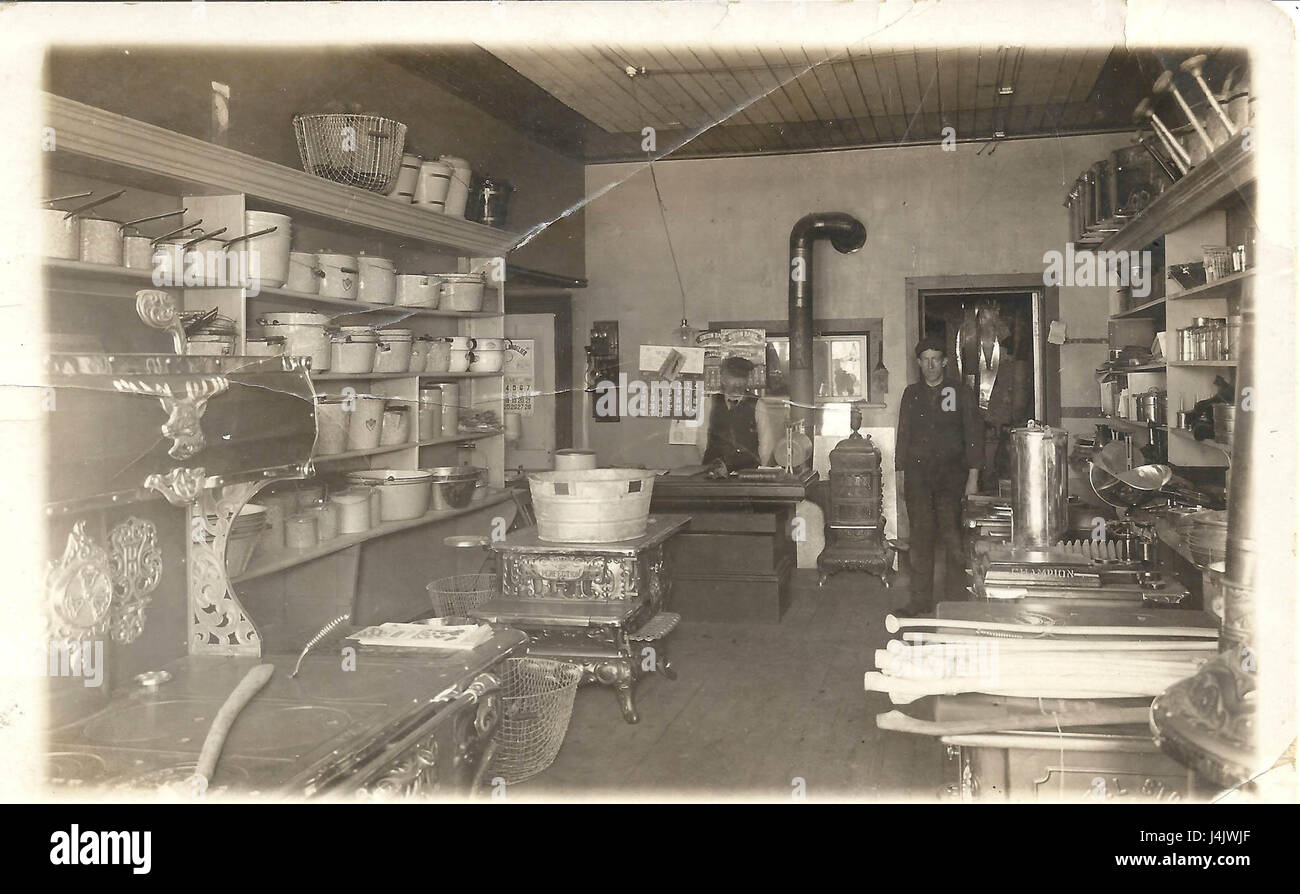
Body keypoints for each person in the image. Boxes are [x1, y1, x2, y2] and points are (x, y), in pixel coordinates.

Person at [895, 337, 983, 614]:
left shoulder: (960, 393)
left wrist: (973, 477)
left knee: (953, 539)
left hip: (952, 480)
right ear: (919, 363)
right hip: (918, 480)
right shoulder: (911, 394)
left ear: (945, 361)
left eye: (936, 359)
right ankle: (920, 601)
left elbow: (973, 436)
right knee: (920, 541)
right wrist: (900, 475)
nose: (931, 365)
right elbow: (903, 436)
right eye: (925, 360)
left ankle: (955, 601)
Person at [700, 355, 762, 472]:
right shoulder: (710, 402)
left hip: (747, 473)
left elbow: (766, 445)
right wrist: (711, 466)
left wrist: (757, 472)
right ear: (723, 378)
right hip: (714, 472)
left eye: (743, 378)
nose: (738, 383)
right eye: (733, 377)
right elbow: (701, 440)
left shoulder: (758, 404)